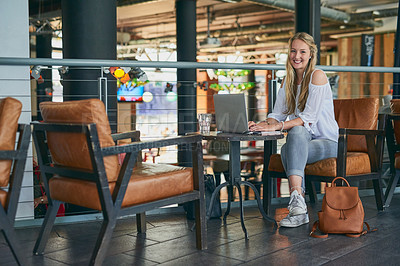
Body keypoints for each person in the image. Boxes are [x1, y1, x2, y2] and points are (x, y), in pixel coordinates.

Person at [249, 32, 339, 228]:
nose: (297, 56)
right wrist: (261, 125)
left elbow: (308, 119)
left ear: (310, 55)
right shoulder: (287, 81)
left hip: (329, 143)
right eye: (293, 51)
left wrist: (278, 126)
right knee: (293, 140)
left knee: (290, 144)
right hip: (304, 142)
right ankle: (299, 207)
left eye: (302, 51)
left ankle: (298, 208)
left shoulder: (318, 76)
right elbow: (278, 114)